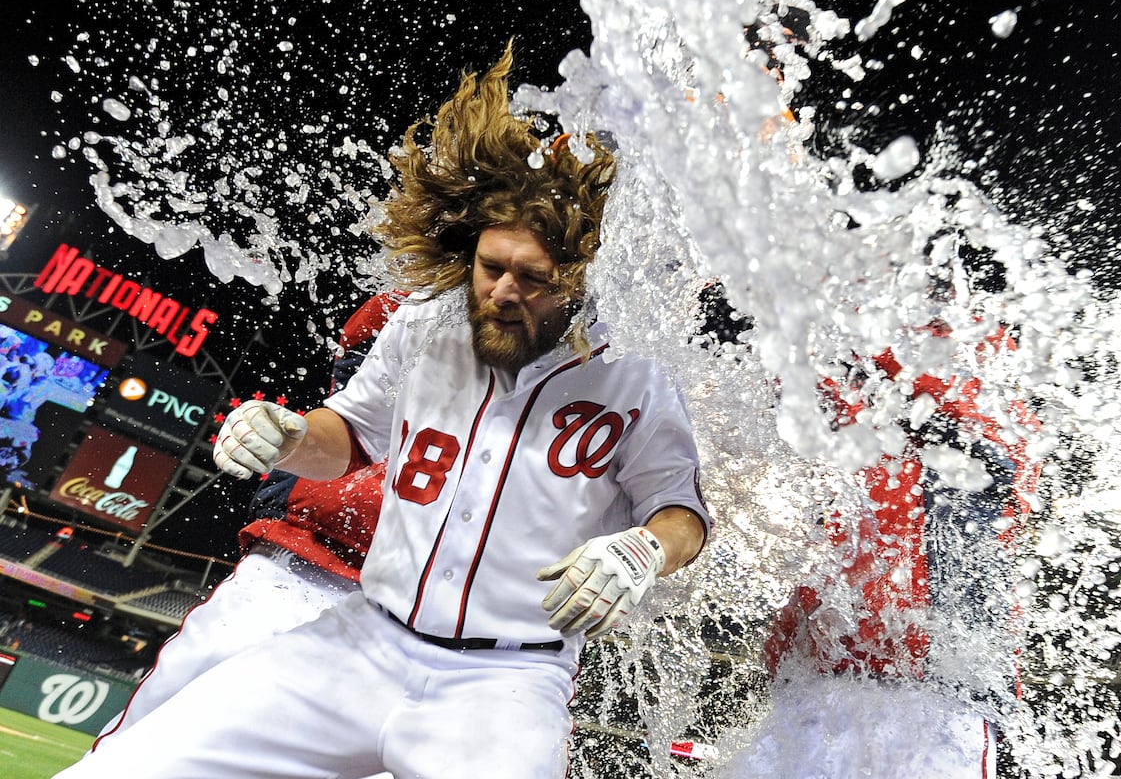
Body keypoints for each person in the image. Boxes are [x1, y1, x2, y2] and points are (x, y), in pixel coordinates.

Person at [59, 46, 712, 779]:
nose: (501, 291)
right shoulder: (423, 322)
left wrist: (645, 550)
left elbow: (679, 510)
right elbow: (348, 440)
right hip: (361, 639)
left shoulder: (640, 375)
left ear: (578, 279)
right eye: (490, 267)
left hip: (504, 687)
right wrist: (289, 434)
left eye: (532, 278)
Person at [87, 292, 400, 759]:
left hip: (466, 621)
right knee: (146, 749)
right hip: (312, 560)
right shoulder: (414, 302)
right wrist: (294, 438)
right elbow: (354, 420)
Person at [721, 321, 1038, 779]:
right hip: (823, 678)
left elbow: (987, 457)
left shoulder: (974, 345)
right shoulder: (856, 350)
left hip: (934, 691)